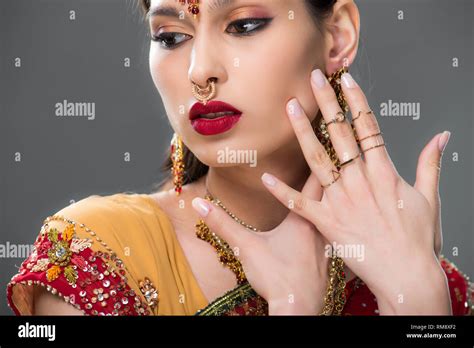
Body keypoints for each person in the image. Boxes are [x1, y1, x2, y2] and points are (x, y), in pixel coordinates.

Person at [7, 0, 473, 316]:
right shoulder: (97, 255)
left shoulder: (420, 274)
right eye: (170, 36)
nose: (200, 71)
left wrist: (421, 303)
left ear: (336, 36)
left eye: (243, 25)